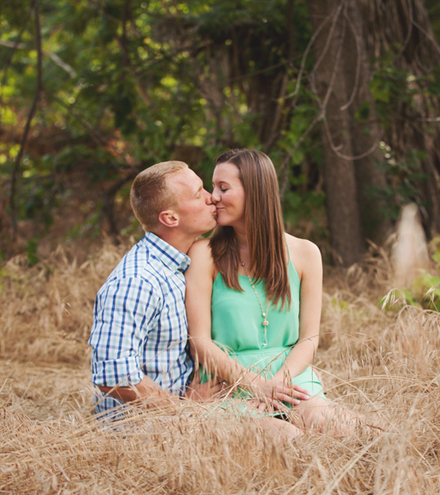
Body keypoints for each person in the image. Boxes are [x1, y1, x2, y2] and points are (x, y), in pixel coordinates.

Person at [185, 149, 336, 432]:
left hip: (289, 376)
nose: (212, 196)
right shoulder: (203, 254)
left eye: (223, 188)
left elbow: (309, 339)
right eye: (213, 186)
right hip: (227, 381)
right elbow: (199, 341)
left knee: (329, 422)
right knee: (285, 438)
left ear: (255, 192)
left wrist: (278, 382)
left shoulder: (305, 253)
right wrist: (256, 385)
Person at [88, 161, 223, 417]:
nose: (212, 198)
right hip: (144, 432)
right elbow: (114, 376)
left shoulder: (177, 265)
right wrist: (187, 413)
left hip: (185, 410)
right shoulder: (138, 281)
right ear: (170, 218)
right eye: (199, 194)